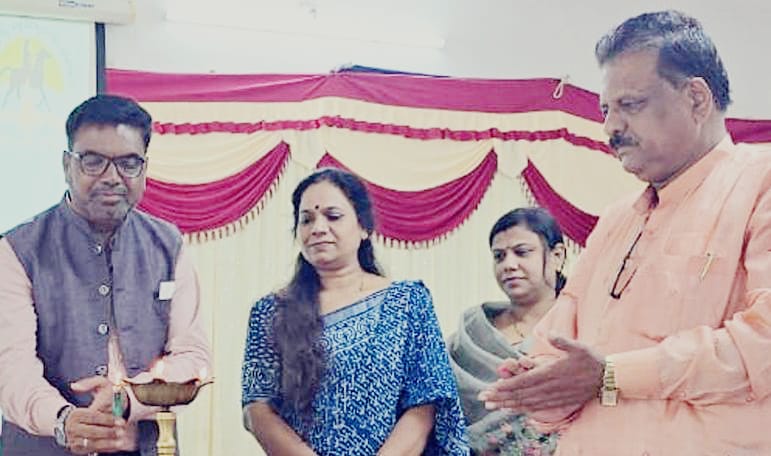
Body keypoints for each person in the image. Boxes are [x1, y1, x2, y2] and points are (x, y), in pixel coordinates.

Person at [480, 9, 771, 455]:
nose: (610, 127)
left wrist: (611, 376)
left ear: (696, 99)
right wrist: (541, 386)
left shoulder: (758, 184)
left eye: (630, 105)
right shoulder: (617, 219)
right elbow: (558, 349)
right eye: (606, 110)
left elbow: (763, 346)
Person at [0, 94, 212, 456]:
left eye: (128, 163)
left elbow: (192, 356)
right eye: (93, 161)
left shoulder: (168, 245)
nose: (112, 177)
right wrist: (64, 420)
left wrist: (128, 399)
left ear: (144, 168)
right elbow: (11, 367)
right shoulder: (17, 250)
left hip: (146, 446)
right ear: (67, 165)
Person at [241, 168, 468, 455]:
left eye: (333, 216)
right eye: (306, 219)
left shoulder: (408, 301)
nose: (318, 228)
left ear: (363, 228)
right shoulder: (271, 311)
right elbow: (257, 408)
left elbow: (427, 401)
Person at [448, 208, 564, 455]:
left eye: (522, 252)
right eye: (499, 256)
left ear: (557, 256)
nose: (509, 265)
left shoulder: (583, 325)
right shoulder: (471, 334)